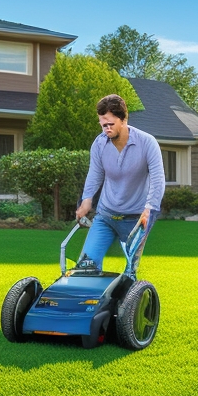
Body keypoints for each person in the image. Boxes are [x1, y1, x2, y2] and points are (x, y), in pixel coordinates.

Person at [75, 94, 165, 272]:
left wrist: (150, 209)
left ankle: (130, 299)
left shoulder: (147, 143)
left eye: (110, 124)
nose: (106, 129)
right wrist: (87, 199)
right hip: (105, 216)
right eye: (103, 125)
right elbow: (95, 173)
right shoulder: (99, 144)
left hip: (137, 219)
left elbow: (158, 178)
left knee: (129, 273)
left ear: (124, 120)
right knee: (86, 267)